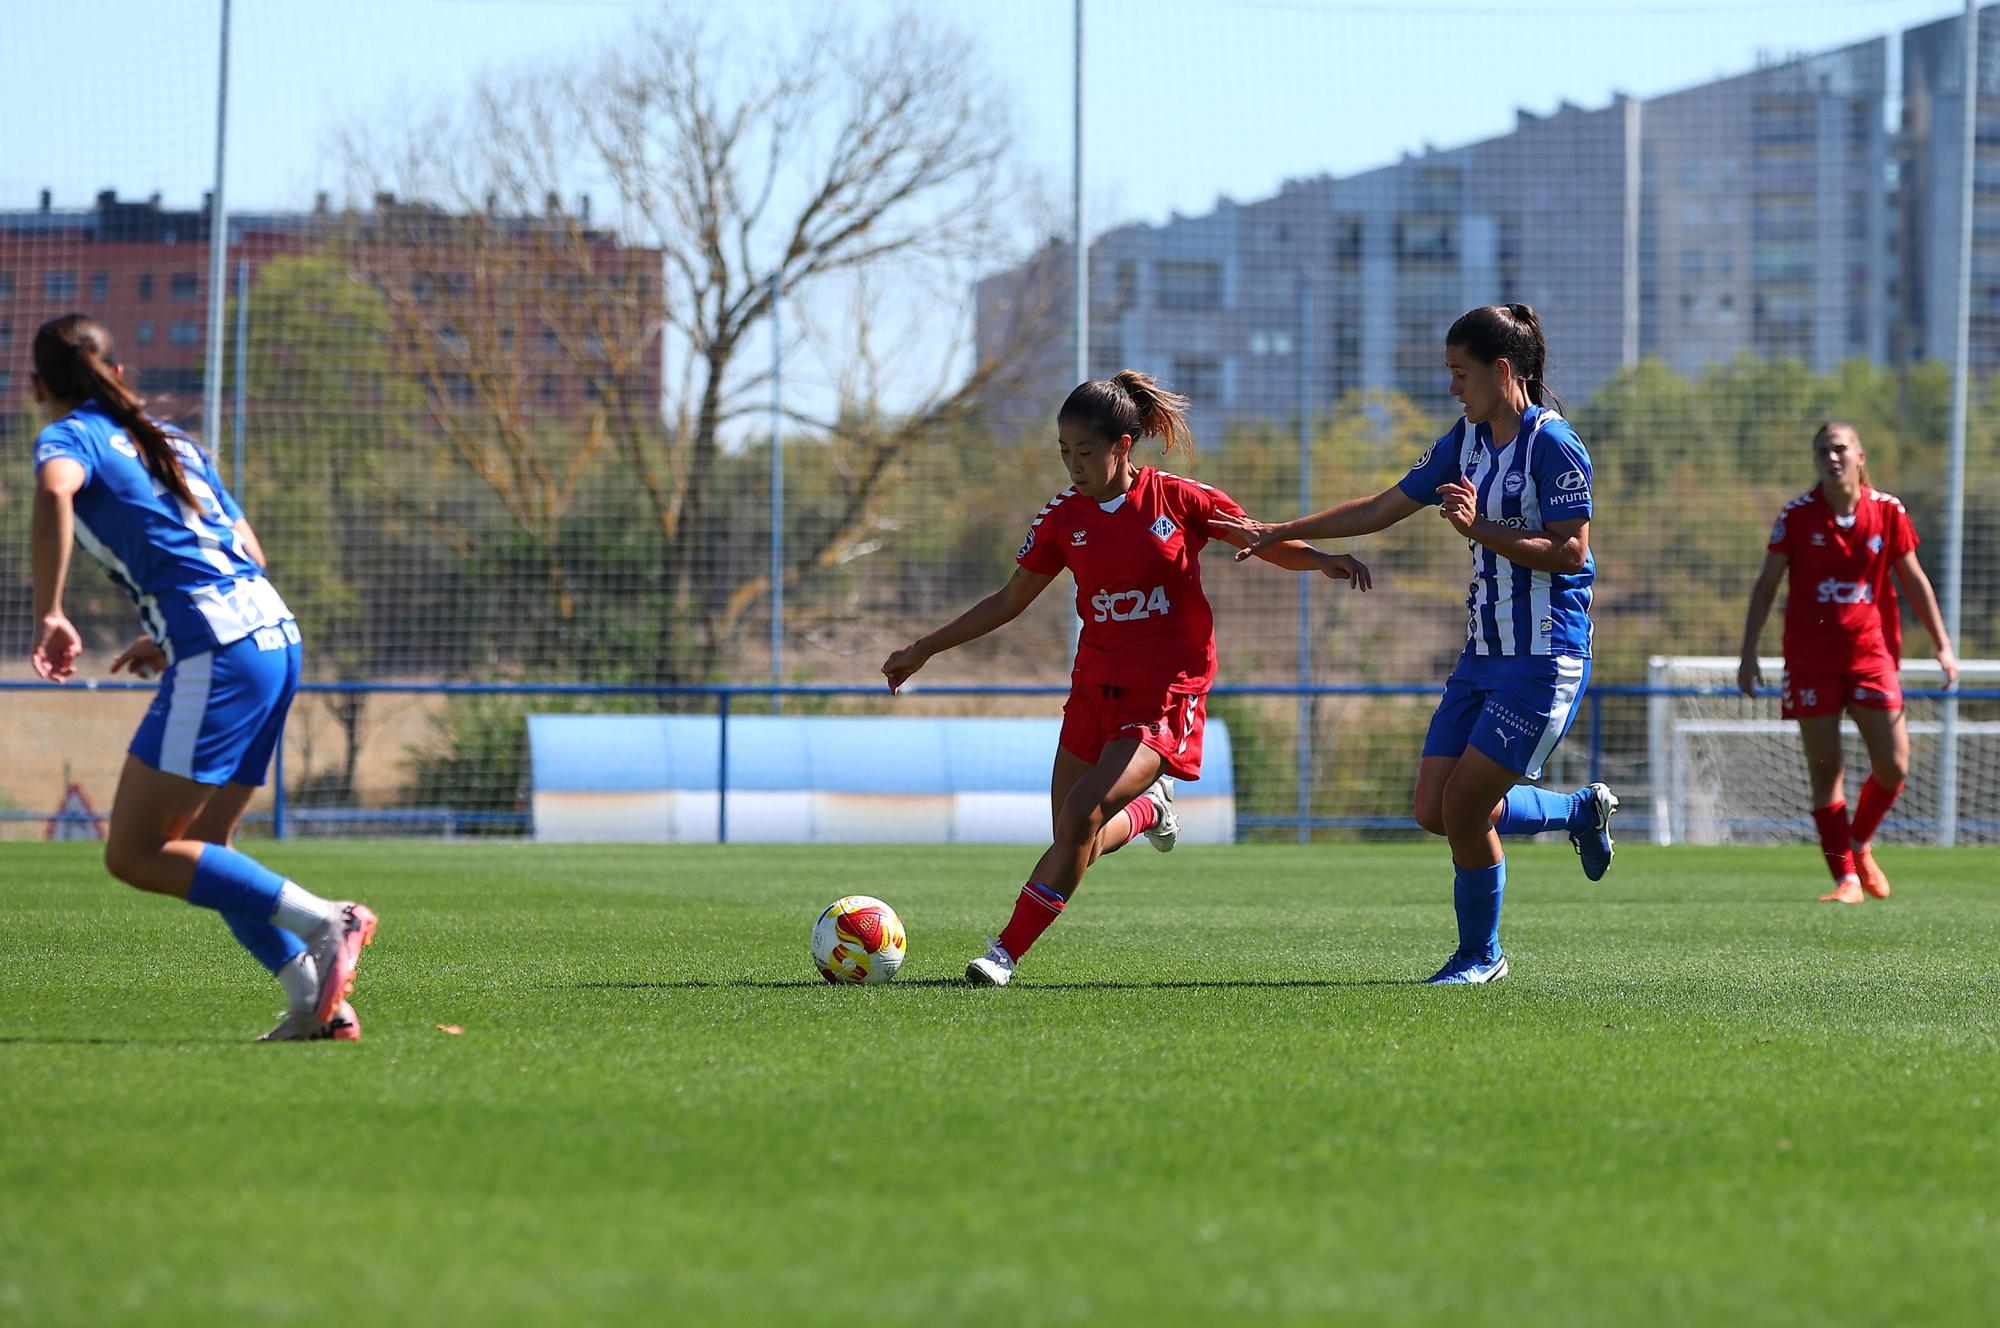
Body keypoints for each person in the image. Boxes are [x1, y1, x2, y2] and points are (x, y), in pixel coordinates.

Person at [881, 370, 1370, 986]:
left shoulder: (1178, 499)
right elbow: (1008, 601)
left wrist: (1320, 559)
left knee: (1083, 811)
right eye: (1063, 451)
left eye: (1084, 452)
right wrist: (924, 648)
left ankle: (1003, 953)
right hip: (1094, 687)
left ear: (1123, 445)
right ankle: (1147, 811)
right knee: (1073, 837)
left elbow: (1259, 539)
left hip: (1166, 691)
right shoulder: (1062, 519)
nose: (1072, 464)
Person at [1219, 304, 1614, 985]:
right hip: (1482, 655)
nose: (1453, 388)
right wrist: (1282, 529)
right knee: (1435, 809)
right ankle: (1577, 811)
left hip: (1544, 657)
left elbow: (1571, 552)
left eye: (1461, 374)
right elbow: (1379, 507)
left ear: (1501, 370)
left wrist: (1479, 527)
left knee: (1464, 808)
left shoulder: (1554, 444)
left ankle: (1481, 957)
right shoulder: (1465, 441)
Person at [27, 314, 377, 1040]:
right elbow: (246, 547)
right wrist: (167, 626)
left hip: (220, 648)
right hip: (273, 634)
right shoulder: (173, 440)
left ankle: (329, 920)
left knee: (134, 853)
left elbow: (56, 491)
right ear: (118, 373)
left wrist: (52, 611)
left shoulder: (70, 436)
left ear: (36, 388)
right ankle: (316, 1004)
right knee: (209, 845)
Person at [1736, 422, 1956, 903]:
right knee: (1826, 769)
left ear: (1860, 455)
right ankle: (1846, 880)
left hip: (1870, 656)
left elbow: (1913, 578)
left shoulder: (1888, 511)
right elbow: (1767, 584)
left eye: (1839, 449)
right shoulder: (1796, 516)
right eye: (1822, 451)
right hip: (1810, 660)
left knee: (1894, 765)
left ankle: (1857, 843)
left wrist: (1942, 643)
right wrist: (1749, 652)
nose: (1831, 458)